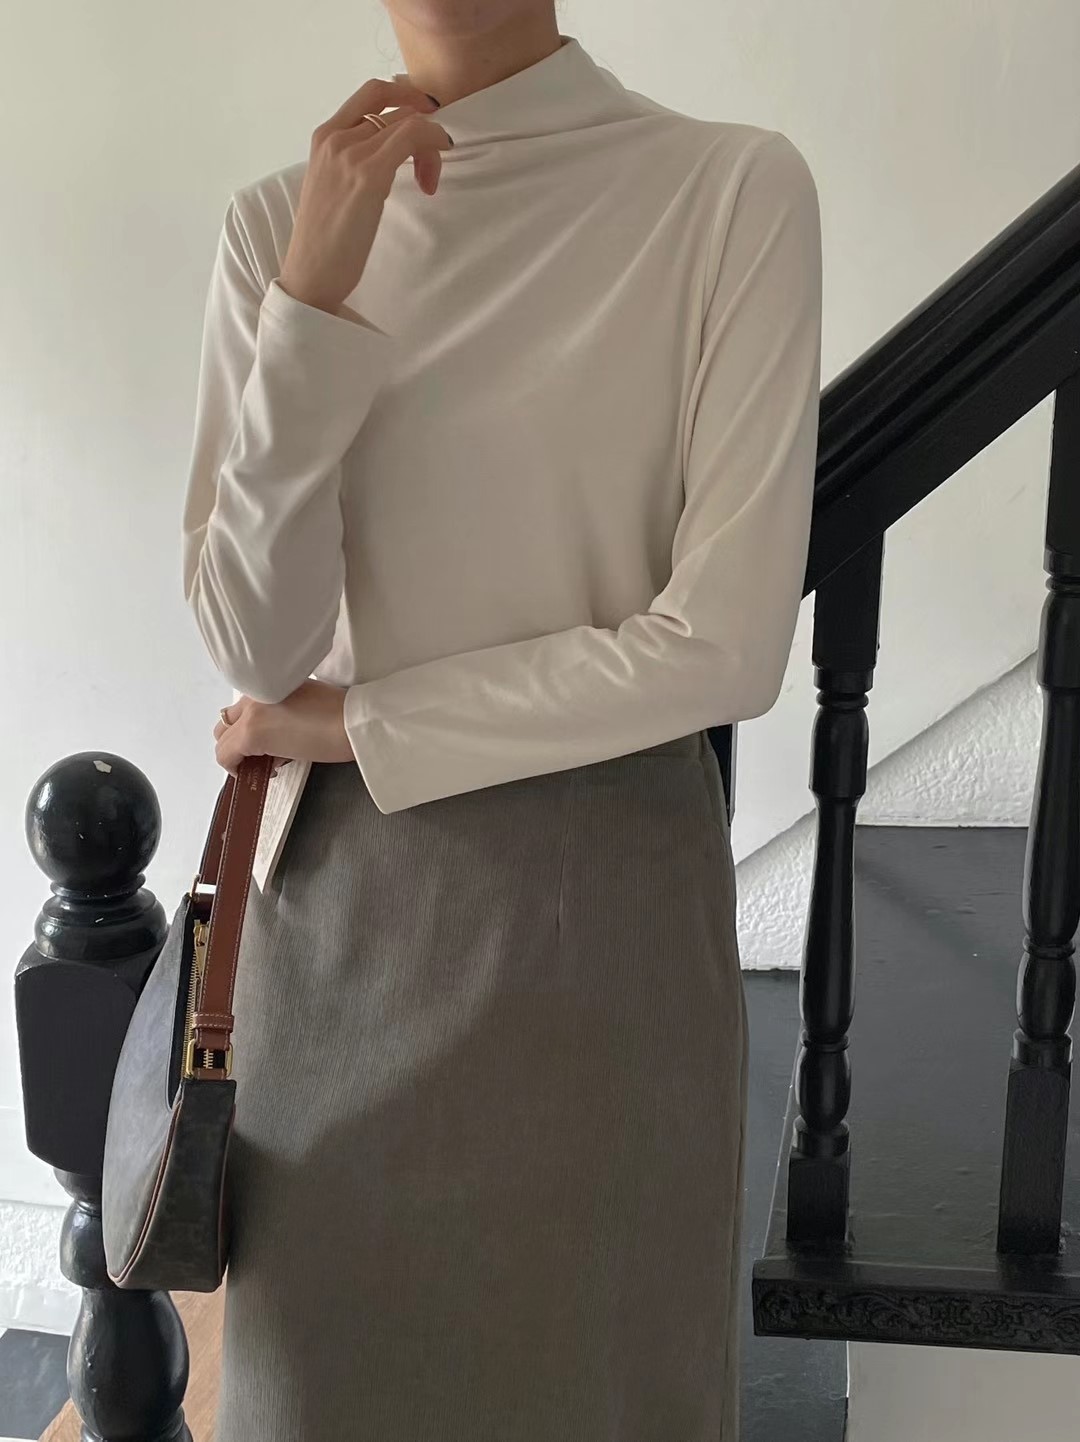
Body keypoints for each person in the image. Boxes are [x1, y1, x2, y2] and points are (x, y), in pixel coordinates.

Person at [180, 3, 822, 1437]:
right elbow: (257, 642)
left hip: (605, 930)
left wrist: (366, 722)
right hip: (340, 933)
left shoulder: (727, 190)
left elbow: (724, 649)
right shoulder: (279, 226)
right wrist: (312, 297)